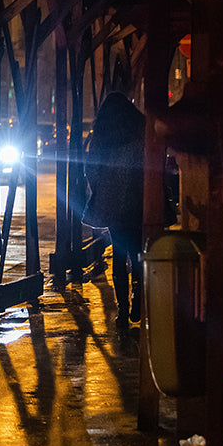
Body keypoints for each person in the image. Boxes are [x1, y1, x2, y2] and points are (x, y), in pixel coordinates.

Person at [82, 92, 146, 328]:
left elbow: (91, 168)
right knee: (139, 251)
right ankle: (138, 296)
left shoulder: (102, 136)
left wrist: (100, 190)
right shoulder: (140, 132)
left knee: (119, 254)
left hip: (113, 202)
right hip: (139, 199)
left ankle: (122, 311)